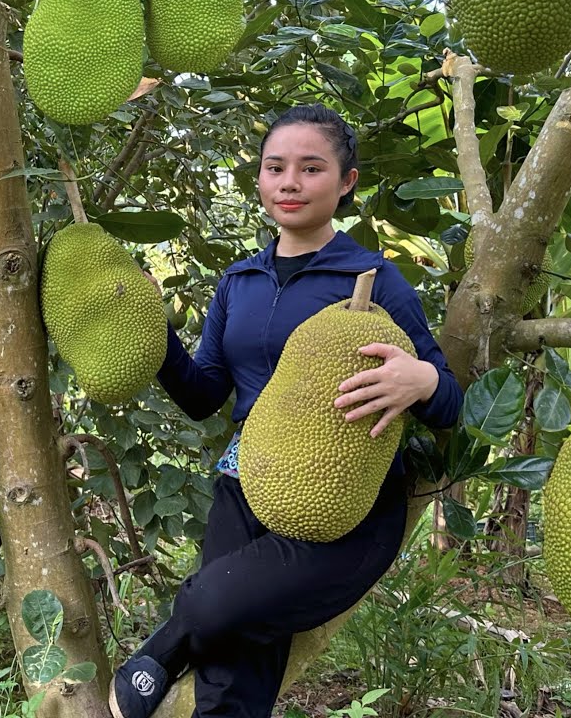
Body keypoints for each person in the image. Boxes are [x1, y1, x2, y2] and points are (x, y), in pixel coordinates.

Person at [109, 104, 463, 718]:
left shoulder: (375, 281)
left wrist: (423, 379)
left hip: (346, 501)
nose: (289, 183)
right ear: (260, 180)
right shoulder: (238, 282)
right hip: (247, 479)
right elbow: (203, 394)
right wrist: (154, 329)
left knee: (210, 607)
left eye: (310, 168)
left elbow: (451, 405)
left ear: (346, 181)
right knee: (230, 667)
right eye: (275, 168)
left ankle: (162, 650)